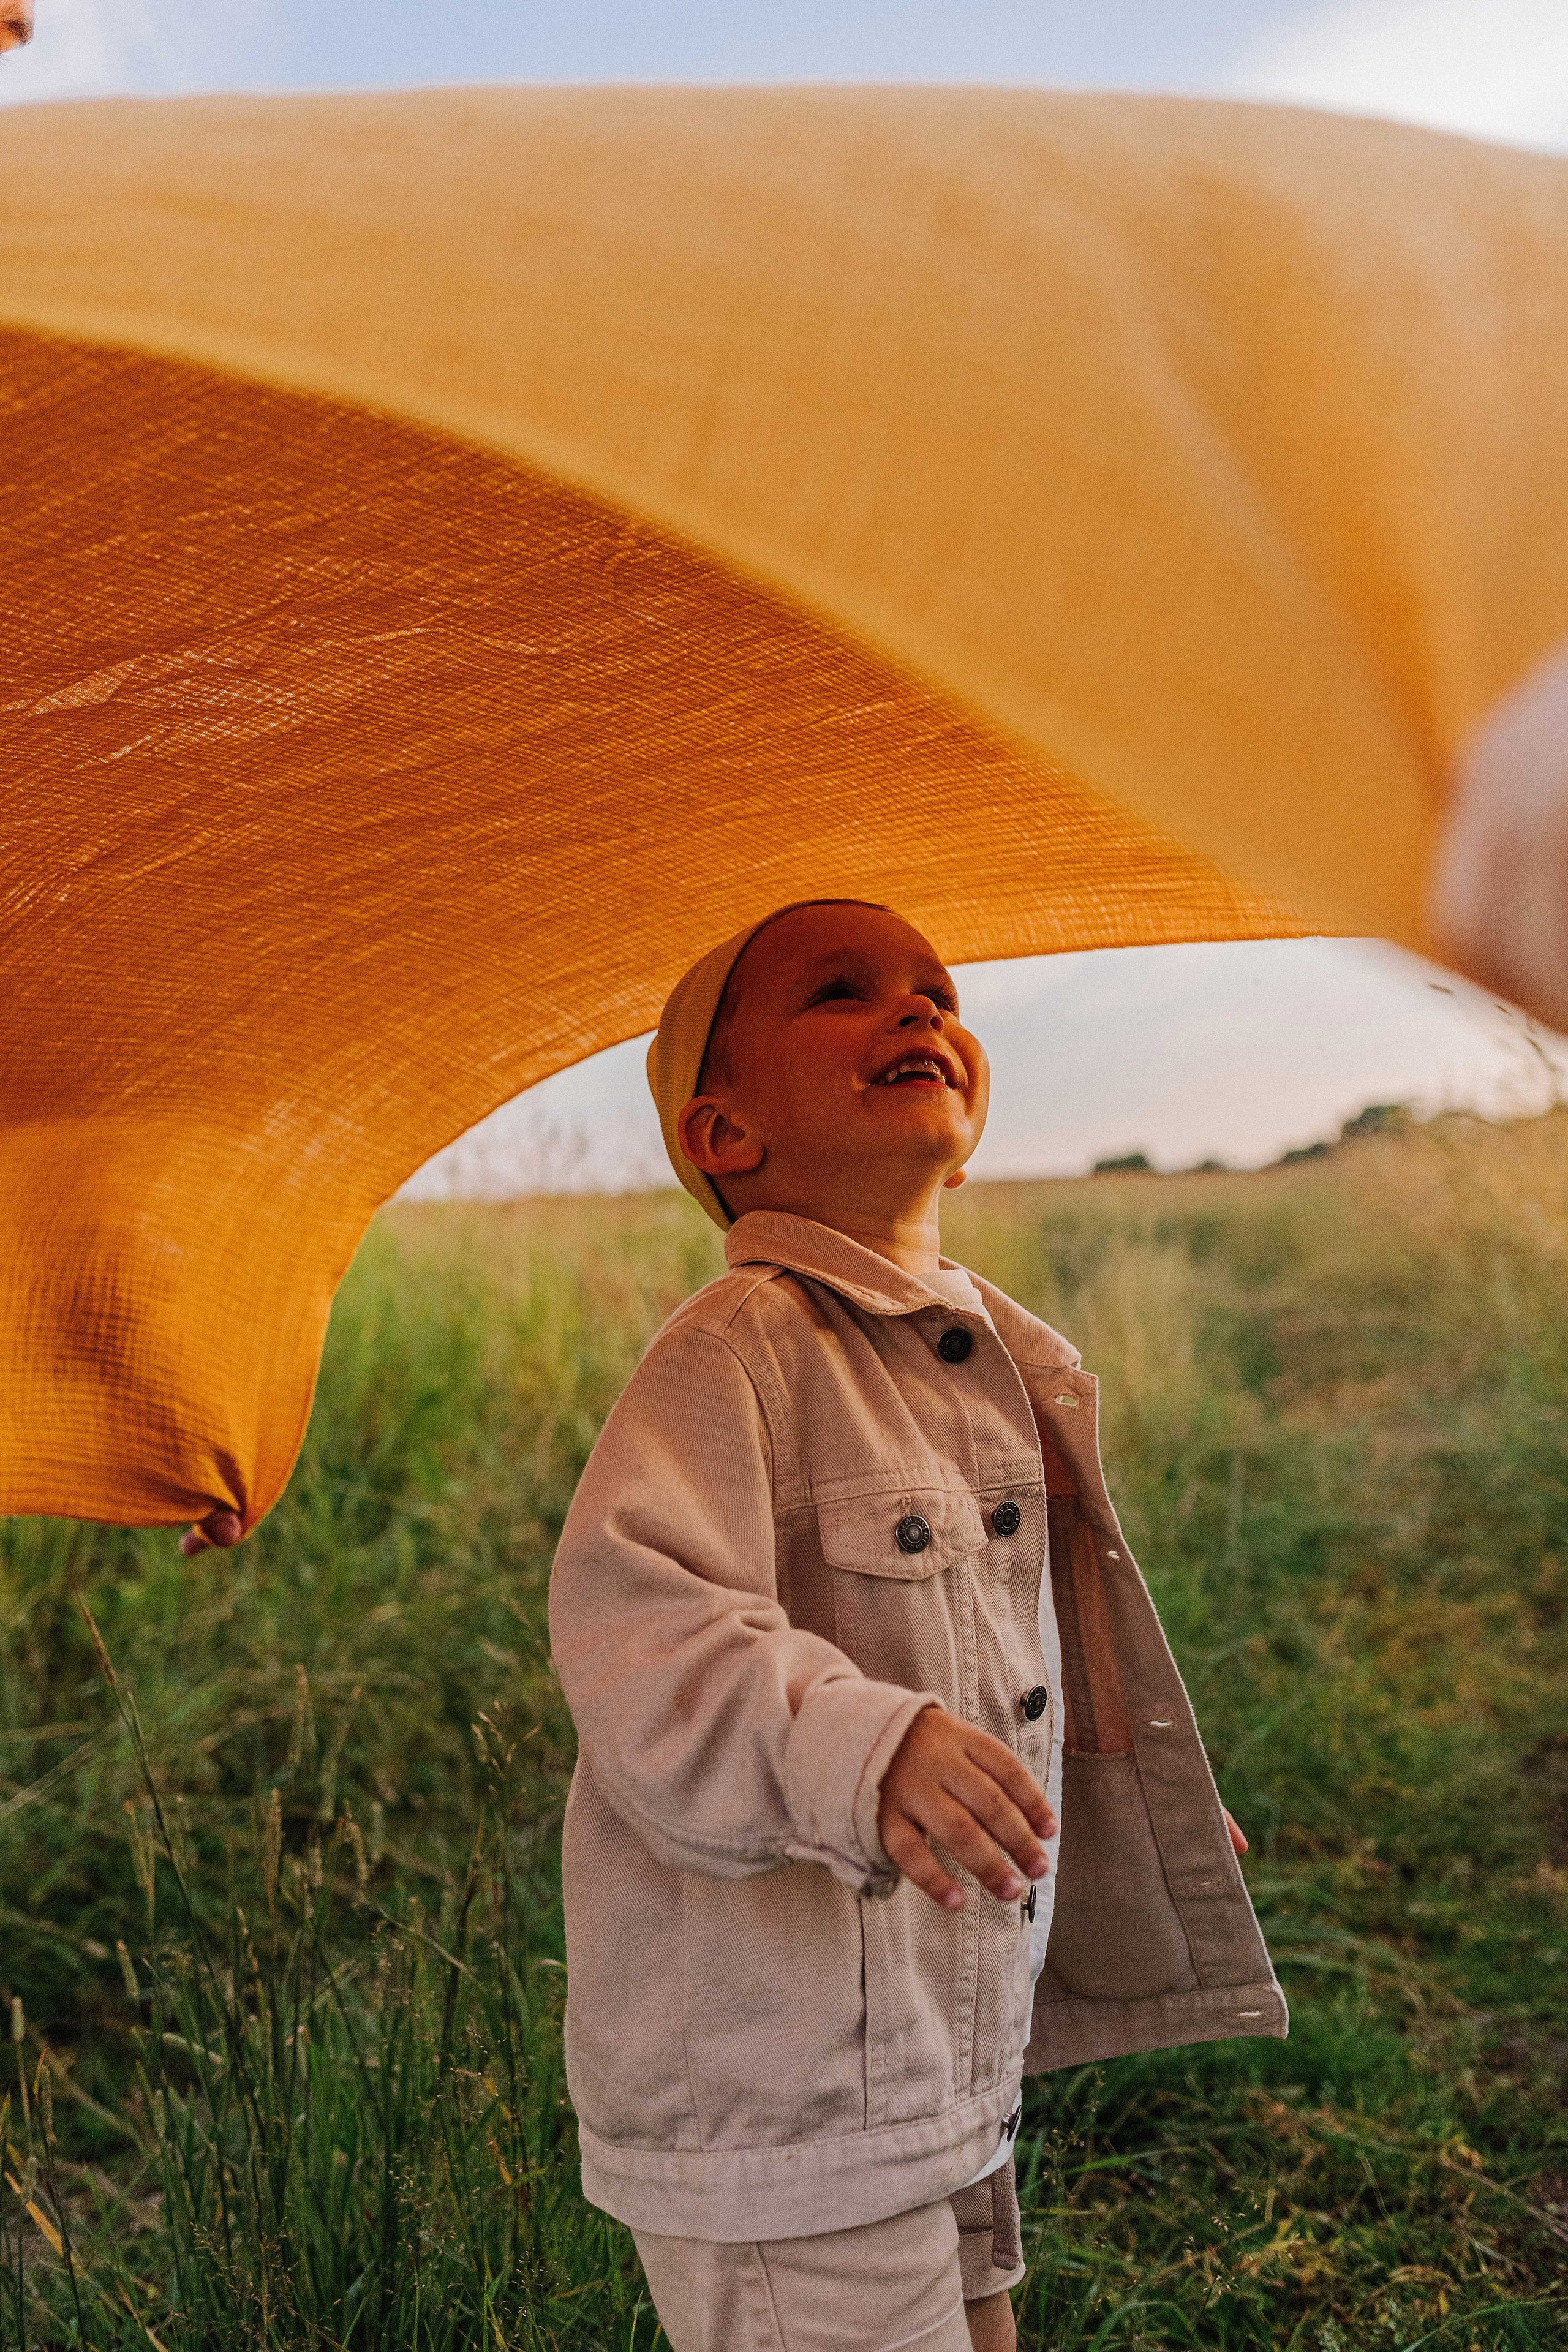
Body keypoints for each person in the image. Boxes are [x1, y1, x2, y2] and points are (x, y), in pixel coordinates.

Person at [541, 899, 1283, 2352]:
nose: (918, 1013)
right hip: (782, 2091)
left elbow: (992, 1654)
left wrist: (1110, 1789)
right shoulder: (736, 1351)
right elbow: (643, 1633)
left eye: (936, 992)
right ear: (722, 1134)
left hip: (934, 2045)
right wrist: (861, 1751)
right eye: (842, 991)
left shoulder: (982, 1348)